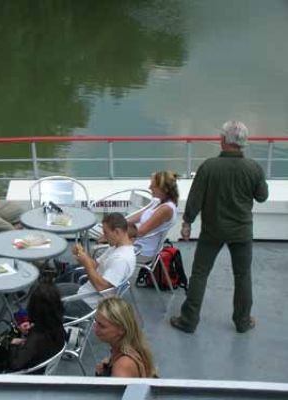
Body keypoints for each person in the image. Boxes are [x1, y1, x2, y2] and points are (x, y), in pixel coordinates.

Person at [171, 121, 269, 334]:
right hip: (242, 232)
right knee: (242, 276)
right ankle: (242, 321)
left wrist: (187, 223)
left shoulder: (209, 167)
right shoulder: (253, 168)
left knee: (200, 274)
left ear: (223, 139)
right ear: (244, 142)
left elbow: (195, 200)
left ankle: (188, 321)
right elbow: (262, 196)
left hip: (212, 231)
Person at [58, 213, 136, 316]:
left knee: (45, 303)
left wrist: (86, 263)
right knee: (50, 291)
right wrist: (82, 255)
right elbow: (95, 265)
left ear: (117, 231)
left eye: (106, 233)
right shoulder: (115, 247)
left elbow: (102, 288)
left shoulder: (121, 259)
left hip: (89, 304)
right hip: (85, 292)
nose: (104, 237)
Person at [94, 297, 157, 377]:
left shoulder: (122, 367)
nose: (95, 328)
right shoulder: (132, 348)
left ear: (121, 329)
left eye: (102, 326)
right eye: (96, 322)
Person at [127, 171, 179, 262]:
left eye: (153, 185)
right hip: (135, 244)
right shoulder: (156, 202)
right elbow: (134, 218)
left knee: (102, 253)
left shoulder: (166, 209)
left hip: (142, 251)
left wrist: (115, 233)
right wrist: (114, 225)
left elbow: (141, 232)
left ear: (163, 189)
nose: (149, 187)